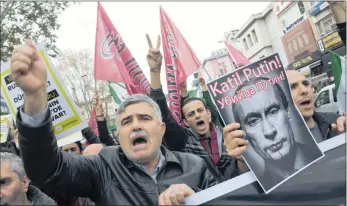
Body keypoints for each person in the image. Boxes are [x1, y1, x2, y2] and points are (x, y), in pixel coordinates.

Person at [12, 40, 217, 205]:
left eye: (144, 118)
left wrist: (195, 196)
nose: (136, 125)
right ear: (118, 136)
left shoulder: (194, 166)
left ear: (162, 129)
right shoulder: (103, 168)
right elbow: (46, 169)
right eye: (126, 121)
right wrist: (35, 97)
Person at [146, 34, 243, 181]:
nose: (197, 116)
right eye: (191, 114)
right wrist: (155, 72)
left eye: (200, 111)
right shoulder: (184, 140)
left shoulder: (227, 132)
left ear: (209, 114)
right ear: (185, 122)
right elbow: (163, 112)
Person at [286, 70, 346, 142]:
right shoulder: (282, 142)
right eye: (292, 87)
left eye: (305, 84)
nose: (304, 90)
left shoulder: (335, 120)